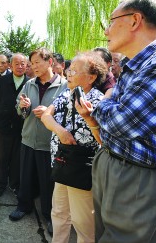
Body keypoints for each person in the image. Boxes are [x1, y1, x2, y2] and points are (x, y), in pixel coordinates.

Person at [78, 0, 156, 242]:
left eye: (111, 21)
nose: (106, 31)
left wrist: (100, 106)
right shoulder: (135, 65)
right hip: (114, 163)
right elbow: (115, 113)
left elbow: (122, 123)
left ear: (134, 20)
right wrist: (108, 105)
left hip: (139, 176)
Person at [41, 52, 107, 243]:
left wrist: (88, 116)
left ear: (91, 77)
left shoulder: (99, 101)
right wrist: (61, 131)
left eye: (75, 71)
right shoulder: (66, 94)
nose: (69, 73)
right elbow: (46, 115)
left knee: (82, 221)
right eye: (69, 70)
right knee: (59, 212)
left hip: (81, 167)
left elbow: (103, 139)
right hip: (62, 161)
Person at [9, 48, 67, 236]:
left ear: (50, 62)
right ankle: (23, 206)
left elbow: (68, 114)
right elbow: (19, 110)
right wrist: (22, 106)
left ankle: (50, 216)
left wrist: (50, 114)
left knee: (47, 182)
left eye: (37, 63)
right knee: (25, 176)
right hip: (28, 140)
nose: (33, 67)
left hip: (49, 143)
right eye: (31, 63)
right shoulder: (29, 84)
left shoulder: (64, 86)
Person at [0, 53, 28, 196]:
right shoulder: (2, 81)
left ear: (26, 66)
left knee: (17, 158)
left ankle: (14, 184)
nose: (20, 67)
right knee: (1, 157)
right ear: (11, 65)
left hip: (21, 127)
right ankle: (0, 184)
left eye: (23, 64)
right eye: (17, 64)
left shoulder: (30, 82)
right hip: (3, 125)